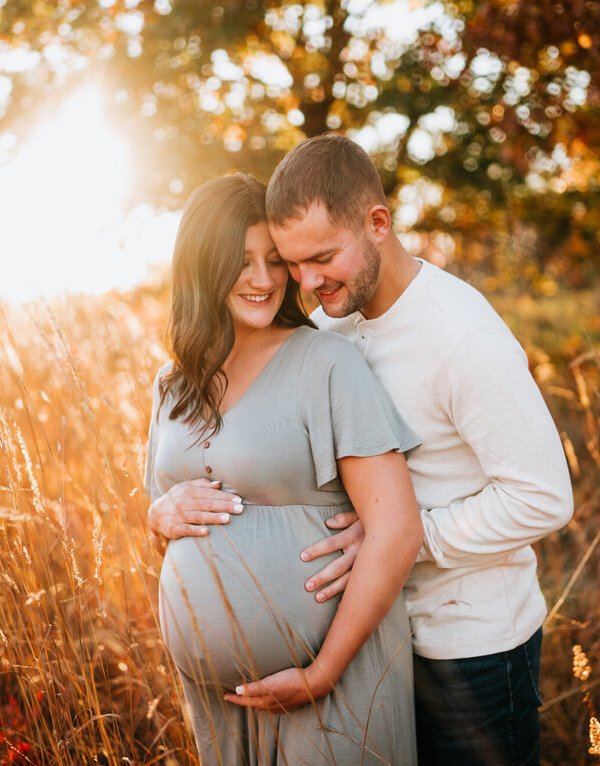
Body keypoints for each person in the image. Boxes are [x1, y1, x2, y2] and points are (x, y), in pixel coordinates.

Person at [236, 134, 575, 765]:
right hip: (377, 642)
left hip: (473, 648)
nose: (308, 282)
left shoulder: (462, 337)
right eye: (294, 263)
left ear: (378, 223)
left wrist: (403, 536)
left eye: (324, 256)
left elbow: (543, 498)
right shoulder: (333, 327)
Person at [145, 173, 422, 766]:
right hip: (218, 700)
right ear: (201, 265)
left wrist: (321, 673)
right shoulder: (172, 385)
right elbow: (165, 532)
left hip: (332, 681)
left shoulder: (325, 362)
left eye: (275, 261)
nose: (264, 280)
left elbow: (397, 529)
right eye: (241, 261)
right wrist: (157, 513)